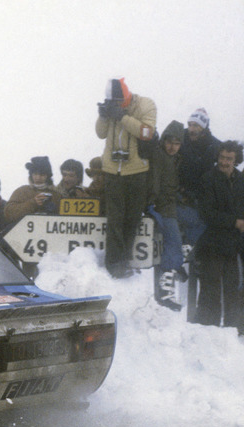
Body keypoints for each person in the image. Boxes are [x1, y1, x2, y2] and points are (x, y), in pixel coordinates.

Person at [95, 77, 157, 278]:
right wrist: (103, 116)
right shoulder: (111, 108)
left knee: (131, 219)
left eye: (118, 102)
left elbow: (147, 132)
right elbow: (100, 134)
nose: (115, 105)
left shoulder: (146, 104)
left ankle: (125, 260)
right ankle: (114, 265)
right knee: (114, 219)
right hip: (113, 171)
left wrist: (122, 117)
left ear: (126, 95)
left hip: (137, 171)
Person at [194, 141, 244, 333]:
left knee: (233, 288)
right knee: (210, 289)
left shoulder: (240, 179)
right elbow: (207, 213)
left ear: (236, 160)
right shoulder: (208, 179)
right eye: (222, 157)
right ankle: (205, 330)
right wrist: (235, 222)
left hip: (234, 244)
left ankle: (235, 330)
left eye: (229, 159)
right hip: (213, 242)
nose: (224, 162)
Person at [147, 120, 186, 310]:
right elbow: (155, 182)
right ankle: (165, 291)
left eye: (177, 143)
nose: (172, 147)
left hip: (172, 204)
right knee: (173, 241)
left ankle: (179, 258)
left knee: (198, 221)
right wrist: (151, 205)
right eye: (169, 142)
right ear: (163, 141)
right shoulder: (159, 156)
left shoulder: (174, 159)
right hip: (161, 207)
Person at [177, 108, 221, 251]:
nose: (191, 129)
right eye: (190, 124)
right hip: (180, 193)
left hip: (202, 194)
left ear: (204, 127)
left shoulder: (215, 146)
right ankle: (193, 251)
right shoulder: (179, 139)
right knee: (197, 220)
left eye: (196, 125)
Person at [4, 156, 61, 225]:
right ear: (31, 175)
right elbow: (8, 213)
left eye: (42, 174)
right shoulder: (21, 192)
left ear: (48, 176)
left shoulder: (57, 195)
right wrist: (33, 203)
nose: (38, 178)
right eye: (35, 174)